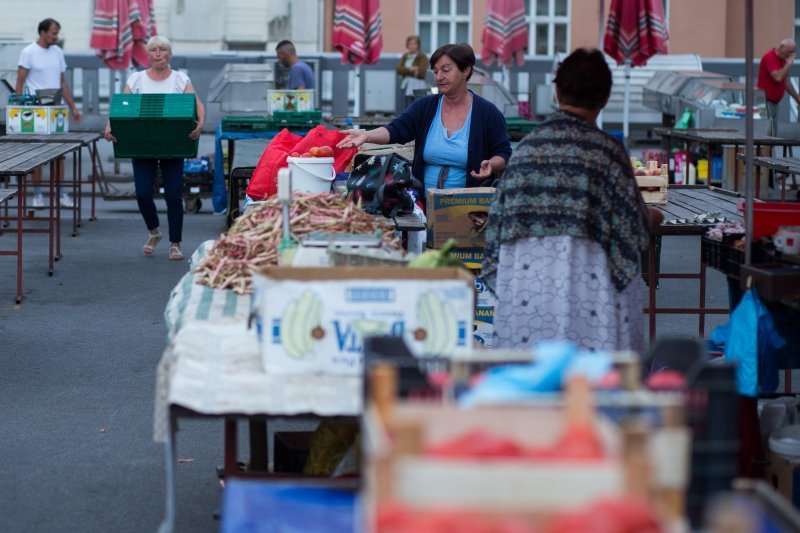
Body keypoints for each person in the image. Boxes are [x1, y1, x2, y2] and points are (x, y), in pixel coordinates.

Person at [482, 48, 663, 354]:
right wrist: (654, 216)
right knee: (593, 395)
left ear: (556, 92)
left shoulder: (525, 149)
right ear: (605, 97)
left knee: (534, 394)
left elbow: (497, 228)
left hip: (527, 299)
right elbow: (633, 225)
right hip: (593, 300)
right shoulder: (607, 152)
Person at [337, 43, 511, 193]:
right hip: (424, 202)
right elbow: (396, 129)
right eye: (435, 72)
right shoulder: (425, 107)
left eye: (446, 70)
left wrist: (491, 164)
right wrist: (366, 136)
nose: (439, 77)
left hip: (469, 206)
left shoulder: (488, 113)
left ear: (466, 70)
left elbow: (503, 153)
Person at [104, 36, 204, 261]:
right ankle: (154, 232)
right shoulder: (136, 78)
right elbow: (121, 107)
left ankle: (175, 244)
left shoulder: (180, 78)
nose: (158, 53)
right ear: (147, 55)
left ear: (169, 54)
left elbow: (197, 104)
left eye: (162, 50)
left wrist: (200, 123)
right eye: (153, 50)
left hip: (172, 142)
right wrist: (109, 126)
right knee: (142, 194)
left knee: (173, 195)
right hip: (143, 142)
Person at [16, 18, 82, 209]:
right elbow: (20, 80)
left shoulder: (58, 52)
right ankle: (37, 195)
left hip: (56, 109)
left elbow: (62, 82)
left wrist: (73, 107)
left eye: (57, 33)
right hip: (36, 109)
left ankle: (61, 193)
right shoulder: (28, 52)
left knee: (59, 153)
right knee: (37, 154)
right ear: (43, 32)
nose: (56, 36)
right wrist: (20, 107)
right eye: (53, 33)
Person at [757, 38, 800, 136]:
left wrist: (796, 97)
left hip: (774, 103)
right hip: (765, 101)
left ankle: (771, 150)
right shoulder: (770, 57)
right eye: (789, 52)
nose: (790, 56)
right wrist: (789, 63)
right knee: (767, 132)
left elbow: (786, 81)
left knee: (773, 132)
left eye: (793, 53)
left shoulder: (783, 61)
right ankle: (766, 151)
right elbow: (778, 77)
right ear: (782, 47)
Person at [396, 35, 429, 108]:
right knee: (405, 105)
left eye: (414, 44)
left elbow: (421, 72)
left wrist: (405, 70)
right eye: (410, 44)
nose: (412, 46)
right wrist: (410, 69)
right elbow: (398, 69)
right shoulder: (405, 56)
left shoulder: (422, 56)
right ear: (407, 45)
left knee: (416, 105)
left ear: (418, 45)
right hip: (405, 84)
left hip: (417, 85)